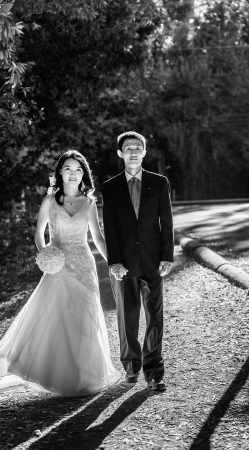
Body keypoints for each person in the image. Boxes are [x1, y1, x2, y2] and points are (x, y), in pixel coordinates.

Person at [0, 149, 119, 396]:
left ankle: (85, 377)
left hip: (84, 266)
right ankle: (59, 375)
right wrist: (46, 256)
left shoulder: (89, 203)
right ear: (60, 173)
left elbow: (97, 237)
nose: (73, 173)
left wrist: (113, 263)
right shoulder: (50, 202)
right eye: (68, 169)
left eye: (78, 169)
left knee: (85, 318)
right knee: (58, 319)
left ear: (83, 174)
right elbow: (39, 233)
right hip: (57, 266)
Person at [102, 131, 174, 392]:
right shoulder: (110, 187)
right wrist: (114, 262)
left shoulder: (159, 182)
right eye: (128, 148)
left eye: (137, 148)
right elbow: (109, 228)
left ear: (144, 152)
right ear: (120, 153)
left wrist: (167, 256)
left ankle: (154, 372)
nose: (133, 151)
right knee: (127, 318)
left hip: (153, 261)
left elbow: (167, 223)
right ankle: (131, 365)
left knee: (155, 318)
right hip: (124, 264)